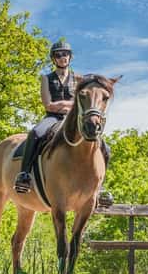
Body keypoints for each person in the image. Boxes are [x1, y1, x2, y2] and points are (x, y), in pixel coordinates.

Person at [15, 39, 112, 206]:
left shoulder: (79, 79)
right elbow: (48, 104)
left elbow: (82, 101)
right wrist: (67, 104)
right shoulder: (46, 78)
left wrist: (63, 104)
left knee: (105, 146)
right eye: (59, 55)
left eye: (65, 54)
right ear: (54, 58)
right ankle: (24, 175)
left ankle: (100, 187)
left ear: (70, 57)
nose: (62, 57)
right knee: (36, 133)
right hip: (52, 117)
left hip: (73, 119)